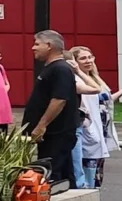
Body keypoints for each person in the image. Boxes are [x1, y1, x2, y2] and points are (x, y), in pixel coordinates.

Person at [23, 30, 84, 182]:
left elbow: (59, 100)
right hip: (51, 135)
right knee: (64, 174)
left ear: (49, 45)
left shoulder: (60, 69)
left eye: (37, 44)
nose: (33, 48)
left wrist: (41, 126)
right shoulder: (51, 68)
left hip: (57, 133)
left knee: (51, 174)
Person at [72, 46, 118, 190]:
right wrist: (79, 72)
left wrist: (95, 75)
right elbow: (100, 93)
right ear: (75, 62)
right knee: (88, 175)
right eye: (83, 58)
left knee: (98, 175)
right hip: (89, 130)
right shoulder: (78, 79)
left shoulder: (92, 77)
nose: (88, 61)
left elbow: (106, 96)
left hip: (101, 130)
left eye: (90, 57)